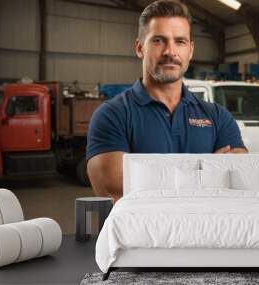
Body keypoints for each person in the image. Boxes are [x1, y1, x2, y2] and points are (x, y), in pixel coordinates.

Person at [86, 0, 247, 202]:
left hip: (206, 233)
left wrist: (147, 179)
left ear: (190, 50)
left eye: (180, 41)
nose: (170, 51)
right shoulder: (112, 115)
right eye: (158, 40)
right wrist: (207, 175)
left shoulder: (218, 117)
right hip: (140, 234)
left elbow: (240, 184)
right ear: (139, 48)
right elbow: (115, 193)